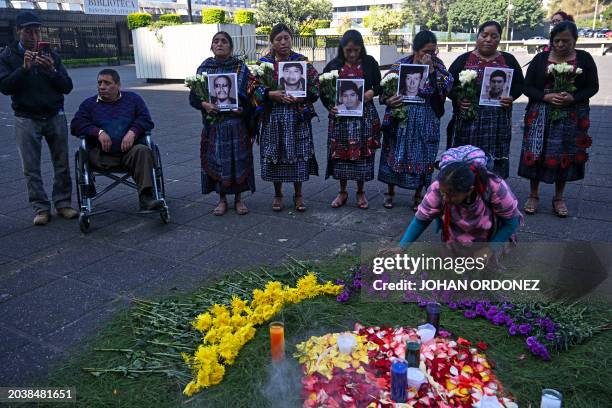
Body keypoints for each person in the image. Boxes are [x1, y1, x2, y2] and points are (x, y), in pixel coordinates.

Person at [0, 11, 77, 225]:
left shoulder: (51, 53)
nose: (33, 36)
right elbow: (4, 87)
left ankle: (63, 203)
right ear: (18, 32)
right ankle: (41, 208)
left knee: (61, 163)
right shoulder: (8, 56)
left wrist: (51, 70)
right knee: (31, 167)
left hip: (54, 114)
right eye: (28, 31)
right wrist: (24, 69)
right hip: (26, 117)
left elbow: (67, 86)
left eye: (36, 31)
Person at [519, 22, 598, 218]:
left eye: (566, 41)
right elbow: (526, 87)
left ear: (575, 41)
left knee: (565, 154)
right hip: (541, 114)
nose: (561, 45)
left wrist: (574, 97)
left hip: (572, 115)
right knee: (536, 152)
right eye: (557, 41)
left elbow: (592, 87)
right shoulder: (540, 59)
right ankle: (533, 195)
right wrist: (545, 97)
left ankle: (559, 197)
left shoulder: (585, 59)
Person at [398, 145, 522, 256]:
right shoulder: (439, 187)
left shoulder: (495, 188)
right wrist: (401, 247)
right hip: (455, 237)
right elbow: (422, 219)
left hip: (489, 236)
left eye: (451, 195)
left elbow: (511, 222)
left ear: (470, 190)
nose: (445, 198)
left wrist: (490, 248)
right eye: (443, 193)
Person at [379, 30, 453, 211]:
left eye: (433, 52)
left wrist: (433, 69)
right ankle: (390, 192)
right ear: (415, 50)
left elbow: (448, 86)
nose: (429, 55)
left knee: (423, 154)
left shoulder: (437, 65)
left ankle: (418, 195)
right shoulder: (401, 65)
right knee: (394, 152)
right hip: (401, 119)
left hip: (426, 119)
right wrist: (388, 100)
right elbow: (384, 89)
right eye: (425, 51)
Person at [249, 23, 319, 212]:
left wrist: (302, 95)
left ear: (291, 39)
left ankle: (298, 195)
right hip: (273, 118)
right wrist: (271, 94)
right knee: (275, 155)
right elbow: (252, 88)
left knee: (298, 154)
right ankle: (278, 195)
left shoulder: (303, 62)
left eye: (286, 38)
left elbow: (315, 87)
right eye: (278, 39)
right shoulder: (263, 64)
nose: (283, 42)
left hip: (297, 118)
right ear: (272, 42)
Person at [70, 69, 163, 211]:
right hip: (101, 156)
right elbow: (76, 125)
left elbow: (146, 120)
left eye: (107, 83)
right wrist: (98, 132)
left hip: (129, 154)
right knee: (84, 151)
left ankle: (146, 197)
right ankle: (88, 187)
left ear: (118, 85)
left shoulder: (133, 99)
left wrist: (133, 132)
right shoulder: (89, 104)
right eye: (99, 83)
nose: (101, 86)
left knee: (143, 150)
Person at [447, 21, 524, 179]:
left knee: (493, 157)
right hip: (468, 120)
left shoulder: (508, 59)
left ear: (499, 40)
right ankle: (464, 188)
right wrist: (458, 98)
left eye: (494, 36)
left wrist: (511, 97)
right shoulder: (464, 60)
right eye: (484, 35)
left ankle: (493, 192)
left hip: (497, 122)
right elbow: (448, 83)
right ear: (477, 37)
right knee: (466, 156)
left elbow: (520, 84)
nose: (488, 39)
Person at [190, 31, 255, 215]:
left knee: (238, 162)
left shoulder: (240, 68)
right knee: (218, 161)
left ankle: (239, 199)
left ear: (231, 47)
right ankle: (222, 200)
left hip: (236, 125)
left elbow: (250, 97)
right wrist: (205, 104)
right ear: (211, 46)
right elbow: (193, 97)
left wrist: (243, 110)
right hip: (214, 126)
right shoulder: (204, 68)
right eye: (216, 41)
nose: (220, 44)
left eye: (224, 41)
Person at [321, 29, 381, 209]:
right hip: (341, 119)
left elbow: (380, 85)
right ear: (342, 49)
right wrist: (329, 105)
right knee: (341, 155)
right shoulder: (333, 66)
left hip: (364, 117)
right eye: (349, 50)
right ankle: (342, 191)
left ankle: (361, 192)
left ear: (362, 48)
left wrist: (372, 92)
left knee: (362, 154)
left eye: (356, 50)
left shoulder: (369, 63)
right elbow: (323, 89)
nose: (353, 54)